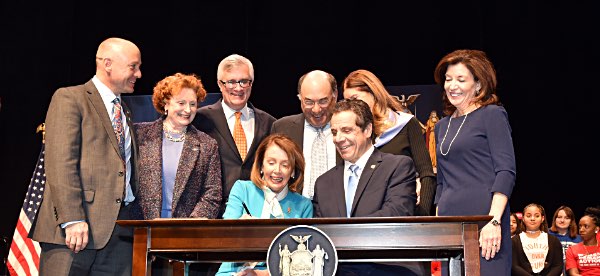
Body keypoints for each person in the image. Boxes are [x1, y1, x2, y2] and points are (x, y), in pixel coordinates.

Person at [29, 37, 142, 275]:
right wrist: (72, 219)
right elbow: (61, 163)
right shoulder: (70, 98)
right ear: (107, 64)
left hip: (119, 233)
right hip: (73, 233)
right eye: (133, 66)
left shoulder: (125, 111)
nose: (139, 74)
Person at [313, 99, 421, 275]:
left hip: (387, 268)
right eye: (334, 132)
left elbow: (396, 214)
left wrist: (343, 233)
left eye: (346, 130)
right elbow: (320, 235)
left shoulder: (397, 166)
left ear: (368, 130)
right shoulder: (323, 183)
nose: (338, 139)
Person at [433, 49, 516, 275]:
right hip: (449, 223)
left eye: (461, 79)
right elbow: (441, 182)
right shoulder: (441, 126)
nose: (452, 86)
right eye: (448, 80)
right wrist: (439, 219)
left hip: (484, 221)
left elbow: (506, 171)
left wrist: (494, 221)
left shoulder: (492, 115)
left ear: (478, 85)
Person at [216, 133, 313, 276]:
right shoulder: (242, 189)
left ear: (292, 171)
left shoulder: (303, 205)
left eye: (285, 165)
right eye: (271, 163)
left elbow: (300, 261)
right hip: (233, 271)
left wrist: (262, 274)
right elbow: (228, 235)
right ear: (261, 165)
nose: (277, 170)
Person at [342, 69, 435, 216]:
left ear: (373, 92)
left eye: (355, 98)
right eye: (347, 102)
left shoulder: (405, 124)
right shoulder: (352, 135)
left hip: (404, 214)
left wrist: (422, 217)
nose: (352, 106)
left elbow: (426, 174)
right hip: (363, 218)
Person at [193, 53, 276, 215]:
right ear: (220, 84)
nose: (238, 88)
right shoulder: (200, 120)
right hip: (213, 213)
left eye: (244, 81)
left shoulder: (270, 123)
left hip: (259, 212)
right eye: (231, 82)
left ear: (251, 83)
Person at [271, 69, 341, 199]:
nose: (316, 109)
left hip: (338, 212)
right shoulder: (282, 128)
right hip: (296, 212)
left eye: (323, 101)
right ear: (300, 98)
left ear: (335, 95)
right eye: (308, 102)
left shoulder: (349, 129)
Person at [512, 203, 563, 275]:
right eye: (528, 216)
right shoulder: (514, 241)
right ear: (523, 218)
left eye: (537, 216)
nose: (532, 219)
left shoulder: (553, 240)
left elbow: (558, 266)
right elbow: (514, 266)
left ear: (542, 218)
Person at [565, 206, 600, 276]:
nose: (581, 230)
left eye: (586, 226)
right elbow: (573, 273)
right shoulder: (572, 250)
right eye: (580, 226)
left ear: (596, 229)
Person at [548, 206, 582, 275]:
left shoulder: (579, 239)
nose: (562, 220)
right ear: (555, 219)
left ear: (571, 221)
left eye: (567, 218)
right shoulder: (546, 235)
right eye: (559, 217)